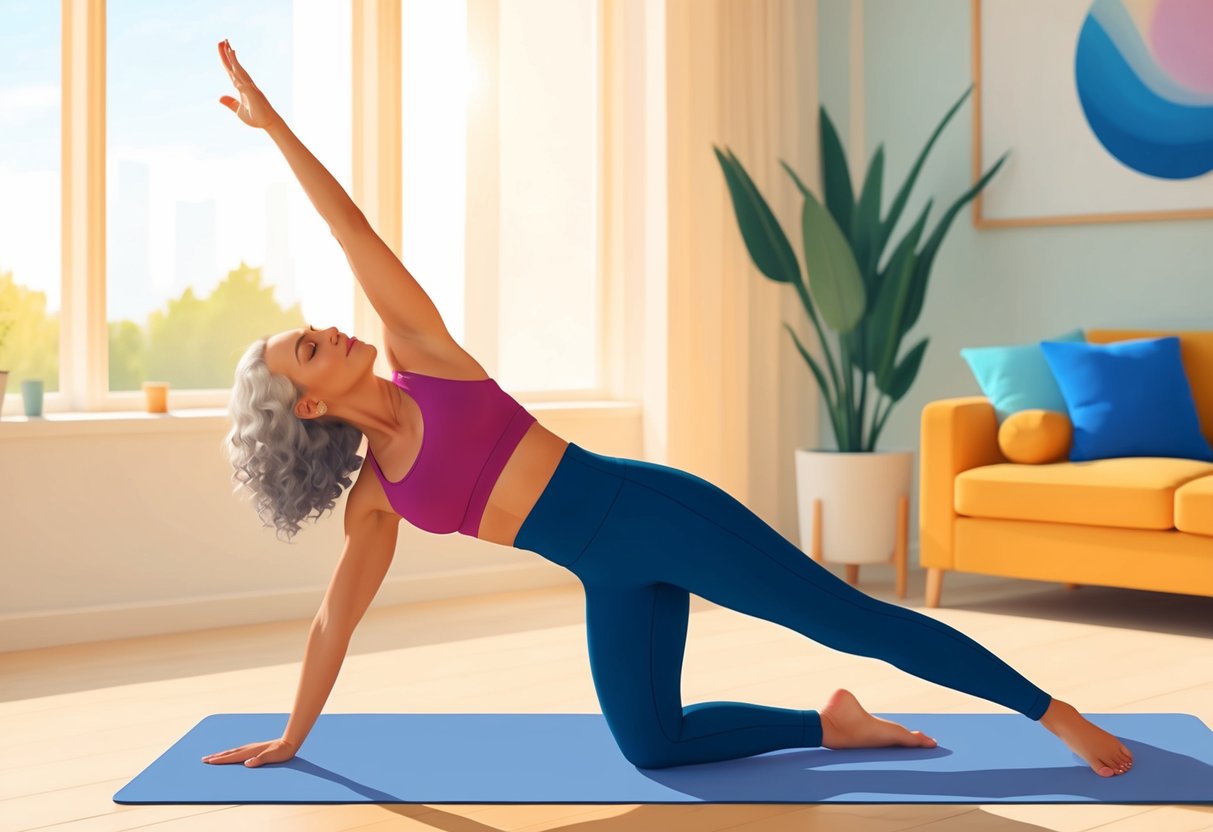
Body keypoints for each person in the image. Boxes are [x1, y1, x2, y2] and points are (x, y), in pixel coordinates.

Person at [204, 39, 1134, 778]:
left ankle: (1054, 713)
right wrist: (292, 736)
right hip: (606, 573)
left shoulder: (423, 356)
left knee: (848, 620)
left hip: (654, 511)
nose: (329, 330)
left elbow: (348, 228)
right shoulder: (379, 499)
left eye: (313, 329)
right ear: (310, 406)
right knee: (652, 745)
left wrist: (272, 125)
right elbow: (333, 623)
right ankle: (831, 724)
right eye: (310, 349)